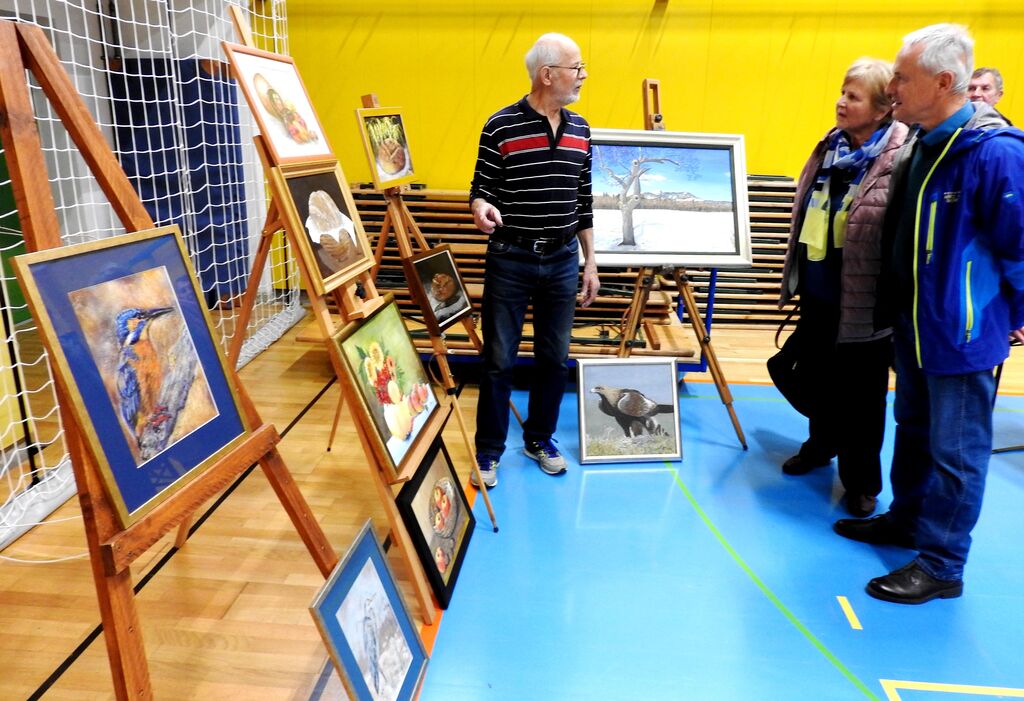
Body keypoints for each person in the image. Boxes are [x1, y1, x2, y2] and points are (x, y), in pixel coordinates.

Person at [833, 24, 1024, 604]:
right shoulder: (921, 142)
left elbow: (1020, 247)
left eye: (902, 77)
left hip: (963, 335)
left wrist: (1008, 318)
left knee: (957, 452)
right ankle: (909, 521)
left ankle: (942, 564)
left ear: (944, 82)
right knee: (913, 432)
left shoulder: (994, 152)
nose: (891, 86)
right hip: (915, 327)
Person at [777, 58, 909, 518]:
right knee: (811, 375)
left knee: (864, 399)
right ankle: (819, 446)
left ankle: (861, 483)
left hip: (866, 304)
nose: (841, 101)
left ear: (881, 108)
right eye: (842, 91)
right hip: (818, 294)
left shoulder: (899, 157)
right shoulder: (829, 146)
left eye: (853, 96)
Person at [468, 32, 600, 488]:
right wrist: (480, 208)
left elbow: (583, 201)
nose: (582, 76)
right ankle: (488, 451)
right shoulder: (500, 126)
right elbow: (480, 189)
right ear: (548, 75)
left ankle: (539, 438)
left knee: (554, 358)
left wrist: (591, 262)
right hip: (511, 256)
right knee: (499, 360)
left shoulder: (582, 130)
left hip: (563, 257)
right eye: (576, 68)